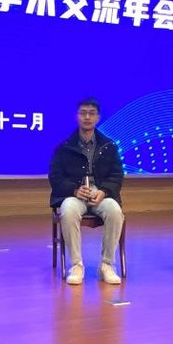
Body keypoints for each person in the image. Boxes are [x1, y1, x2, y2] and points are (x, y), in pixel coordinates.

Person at [48, 98, 124, 285]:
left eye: (91, 113)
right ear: (77, 116)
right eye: (83, 113)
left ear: (98, 117)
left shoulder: (109, 146)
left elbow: (117, 175)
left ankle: (107, 265)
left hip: (100, 194)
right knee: (68, 210)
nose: (87, 117)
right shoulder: (64, 147)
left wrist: (104, 191)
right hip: (74, 195)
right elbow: (55, 178)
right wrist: (74, 190)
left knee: (115, 211)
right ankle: (76, 265)